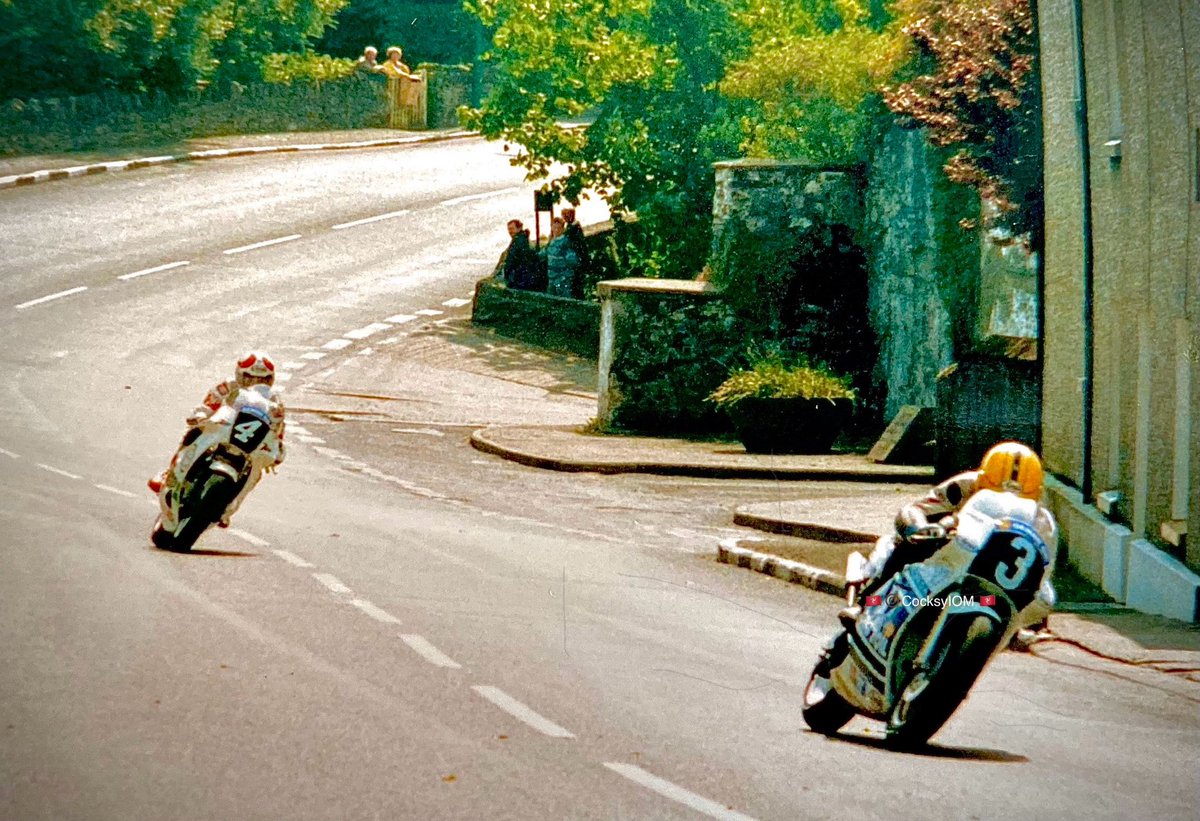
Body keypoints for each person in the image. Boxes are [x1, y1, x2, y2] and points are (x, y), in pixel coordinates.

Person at [841, 441, 1058, 629]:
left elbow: (1043, 556)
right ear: (981, 481)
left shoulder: (1039, 514)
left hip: (994, 566)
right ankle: (865, 603)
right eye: (995, 493)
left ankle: (1013, 627)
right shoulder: (963, 487)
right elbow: (914, 509)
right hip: (952, 548)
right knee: (903, 545)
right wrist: (919, 528)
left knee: (1044, 595)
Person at [148, 352, 286, 527]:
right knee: (193, 432)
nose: (256, 383)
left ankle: (229, 508)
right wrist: (200, 416)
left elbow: (278, 428)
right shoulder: (227, 386)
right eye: (250, 378)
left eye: (263, 379)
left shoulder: (274, 400)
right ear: (239, 374)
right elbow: (208, 405)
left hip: (248, 442)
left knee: (256, 471)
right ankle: (171, 472)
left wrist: (278, 446)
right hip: (222, 429)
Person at [542, 216, 579, 298]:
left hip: (562, 278)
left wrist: (565, 275)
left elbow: (572, 260)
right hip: (551, 277)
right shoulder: (551, 241)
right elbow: (544, 254)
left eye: (558, 228)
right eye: (554, 227)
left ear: (563, 229)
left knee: (564, 301)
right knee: (550, 301)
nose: (556, 230)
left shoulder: (565, 242)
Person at [501, 219, 543, 291]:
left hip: (520, 276)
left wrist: (506, 273)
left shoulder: (518, 241)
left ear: (519, 228)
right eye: (509, 229)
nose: (510, 231)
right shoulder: (524, 238)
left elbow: (511, 259)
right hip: (527, 275)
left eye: (512, 229)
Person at [560, 207, 591, 297]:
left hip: (576, 259)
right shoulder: (574, 226)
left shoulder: (573, 228)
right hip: (577, 258)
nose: (564, 218)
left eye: (566, 215)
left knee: (576, 283)